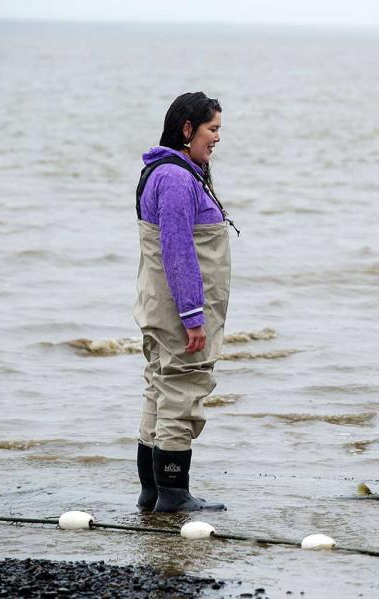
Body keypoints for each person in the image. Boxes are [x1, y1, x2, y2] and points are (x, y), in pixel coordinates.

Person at [133, 92, 235, 512]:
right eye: (212, 130)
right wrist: (193, 316)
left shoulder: (169, 171)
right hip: (180, 311)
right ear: (187, 129)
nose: (216, 139)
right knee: (182, 388)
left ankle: (152, 491)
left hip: (160, 305)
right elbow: (178, 249)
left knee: (160, 387)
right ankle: (174, 494)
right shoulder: (175, 178)